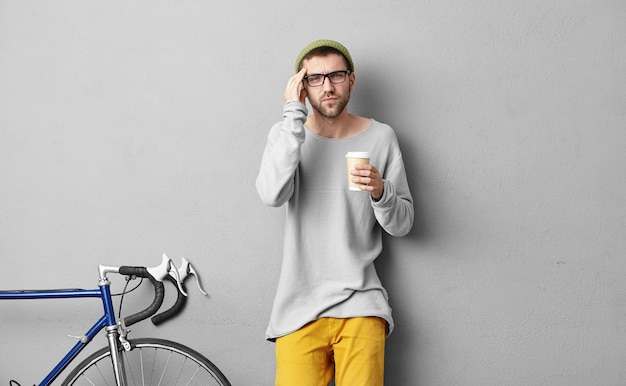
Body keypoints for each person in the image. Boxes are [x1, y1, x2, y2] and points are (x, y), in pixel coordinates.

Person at [256, 39, 414, 386]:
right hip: (298, 309)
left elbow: (403, 224)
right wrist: (292, 115)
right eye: (315, 78)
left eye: (336, 75)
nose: (327, 86)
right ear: (302, 85)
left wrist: (380, 190)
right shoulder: (286, 135)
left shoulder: (381, 138)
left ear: (351, 81)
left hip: (361, 306)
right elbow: (271, 194)